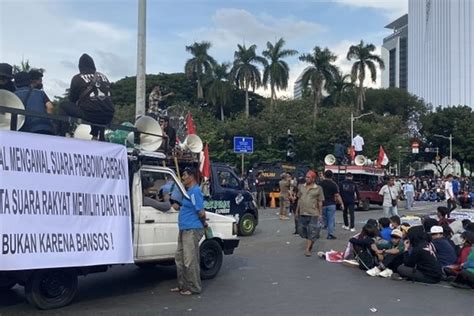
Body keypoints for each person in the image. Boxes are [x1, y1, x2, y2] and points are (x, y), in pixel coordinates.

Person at [59, 53, 115, 140]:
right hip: (109, 115)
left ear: (80, 66)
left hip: (91, 115)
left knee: (64, 106)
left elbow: (72, 99)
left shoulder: (78, 78)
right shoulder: (104, 77)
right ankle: (98, 136)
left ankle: (62, 135)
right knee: (99, 104)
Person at [171, 167, 207, 295]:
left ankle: (194, 287)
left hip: (192, 229)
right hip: (184, 228)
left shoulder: (195, 191)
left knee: (190, 260)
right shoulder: (187, 192)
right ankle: (183, 286)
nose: (183, 178)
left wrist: (204, 225)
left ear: (191, 177)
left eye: (185, 175)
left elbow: (201, 212)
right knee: (179, 259)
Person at [296, 170, 325, 257]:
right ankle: (311, 239)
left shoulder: (318, 188)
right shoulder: (301, 187)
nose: (306, 179)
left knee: (311, 231)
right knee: (300, 230)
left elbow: (320, 202)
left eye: (308, 177)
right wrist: (296, 211)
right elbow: (299, 200)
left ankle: (308, 249)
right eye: (306, 177)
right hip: (302, 212)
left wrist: (320, 214)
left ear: (313, 179)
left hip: (313, 213)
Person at [320, 170, 344, 239]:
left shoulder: (320, 184)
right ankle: (330, 234)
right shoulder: (334, 184)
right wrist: (341, 203)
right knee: (331, 219)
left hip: (322, 204)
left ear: (324, 175)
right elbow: (337, 195)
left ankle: (317, 232)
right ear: (332, 176)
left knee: (322, 218)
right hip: (331, 204)